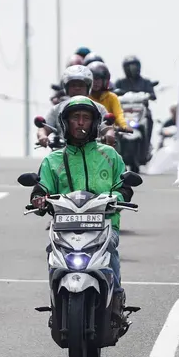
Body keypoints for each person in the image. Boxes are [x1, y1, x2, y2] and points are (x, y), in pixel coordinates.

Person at [30, 96, 129, 311]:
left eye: (86, 118)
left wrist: (118, 199)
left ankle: (117, 300)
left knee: (109, 252)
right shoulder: (52, 160)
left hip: (103, 225)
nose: (81, 122)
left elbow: (124, 185)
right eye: (76, 117)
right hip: (66, 228)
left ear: (94, 123)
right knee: (52, 254)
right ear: (66, 123)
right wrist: (39, 199)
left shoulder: (110, 155)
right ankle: (56, 302)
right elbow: (42, 187)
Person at [38, 65, 103, 147]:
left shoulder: (99, 108)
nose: (77, 88)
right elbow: (45, 128)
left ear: (88, 86)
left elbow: (107, 127)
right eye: (73, 85)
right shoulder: (57, 109)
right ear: (66, 87)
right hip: (63, 152)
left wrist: (109, 134)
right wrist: (42, 136)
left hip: (94, 153)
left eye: (81, 85)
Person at [87, 61, 127, 142]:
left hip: (108, 133)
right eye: (93, 79)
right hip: (87, 134)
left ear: (105, 81)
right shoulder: (85, 97)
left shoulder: (112, 97)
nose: (96, 82)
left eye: (98, 79)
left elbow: (119, 114)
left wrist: (124, 126)